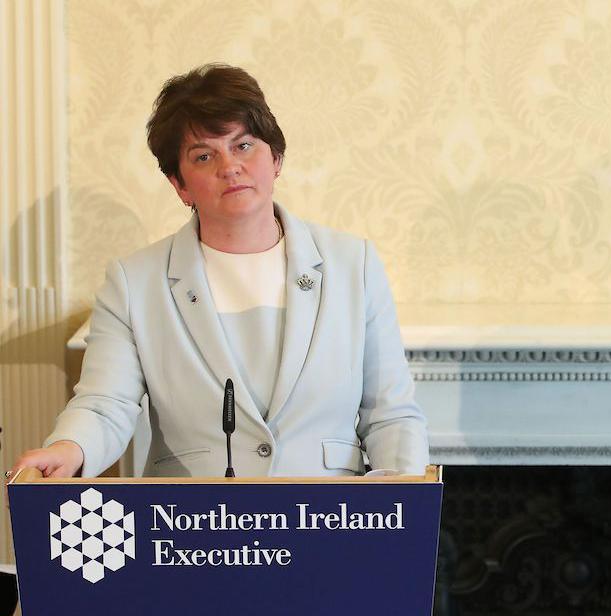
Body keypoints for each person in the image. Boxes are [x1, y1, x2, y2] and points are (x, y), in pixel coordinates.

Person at [12, 64, 428, 478]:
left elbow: (389, 413)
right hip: (191, 528)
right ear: (180, 185)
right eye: (204, 155)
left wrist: (409, 508)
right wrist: (70, 447)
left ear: (276, 157)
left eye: (244, 145)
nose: (229, 166)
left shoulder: (354, 265)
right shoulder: (133, 282)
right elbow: (105, 404)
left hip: (328, 524)